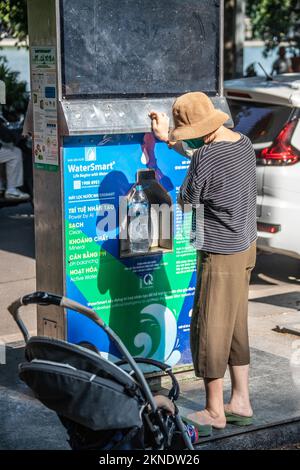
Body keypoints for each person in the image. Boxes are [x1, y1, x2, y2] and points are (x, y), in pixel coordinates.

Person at [149, 92, 257, 432]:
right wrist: (169, 139)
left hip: (219, 252)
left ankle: (214, 410)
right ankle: (240, 399)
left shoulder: (205, 158)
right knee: (236, 325)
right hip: (245, 246)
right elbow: (206, 152)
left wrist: (171, 185)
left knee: (210, 327)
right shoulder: (243, 142)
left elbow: (186, 201)